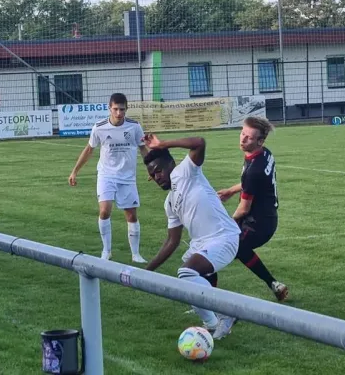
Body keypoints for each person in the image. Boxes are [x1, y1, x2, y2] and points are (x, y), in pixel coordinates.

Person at [143, 134, 240, 340]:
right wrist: (147, 271)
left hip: (224, 237)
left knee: (186, 272)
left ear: (171, 164)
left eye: (159, 170)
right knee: (188, 280)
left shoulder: (185, 172)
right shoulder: (169, 203)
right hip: (201, 244)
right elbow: (172, 241)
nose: (157, 177)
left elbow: (199, 142)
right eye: (152, 175)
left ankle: (227, 311)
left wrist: (162, 144)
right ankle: (212, 324)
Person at [69, 93, 148, 263]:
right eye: (115, 109)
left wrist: (151, 169)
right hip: (106, 175)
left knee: (131, 215)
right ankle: (106, 250)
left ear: (127, 109)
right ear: (109, 108)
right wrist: (75, 171)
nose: (119, 113)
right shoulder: (99, 127)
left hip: (127, 177)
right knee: (104, 210)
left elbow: (143, 148)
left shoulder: (134, 127)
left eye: (122, 109)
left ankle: (136, 254)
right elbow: (89, 149)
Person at [217, 117, 288, 301]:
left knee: (225, 248)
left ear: (260, 141)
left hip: (259, 224)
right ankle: (274, 285)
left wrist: (228, 224)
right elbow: (251, 183)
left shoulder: (253, 170)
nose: (242, 139)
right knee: (222, 249)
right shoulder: (264, 154)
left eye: (248, 137)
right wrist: (232, 190)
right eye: (242, 133)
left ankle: (205, 298)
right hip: (267, 216)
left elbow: (243, 208)